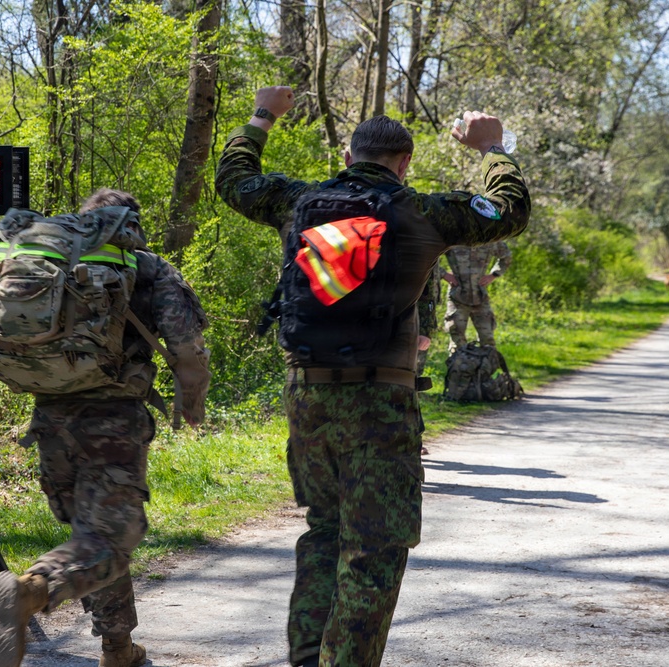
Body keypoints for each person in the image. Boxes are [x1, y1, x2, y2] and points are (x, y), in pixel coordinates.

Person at [215, 86, 530, 667]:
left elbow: (234, 178)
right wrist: (491, 147)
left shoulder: (298, 201)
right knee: (375, 548)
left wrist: (262, 116)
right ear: (404, 163)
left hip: (307, 393)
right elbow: (509, 208)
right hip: (381, 399)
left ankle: (309, 659)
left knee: (324, 531)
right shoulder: (425, 212)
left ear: (347, 156)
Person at [0, 188, 212, 667]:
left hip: (50, 417)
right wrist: (192, 404)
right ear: (129, 225)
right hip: (113, 422)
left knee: (88, 535)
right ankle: (32, 590)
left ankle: (117, 649)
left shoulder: (45, 260)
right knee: (107, 541)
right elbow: (187, 349)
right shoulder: (147, 268)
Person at [441, 241, 512, 353]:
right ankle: (458, 364)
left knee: (488, 339)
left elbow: (506, 256)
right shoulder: (453, 237)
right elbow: (427, 256)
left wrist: (493, 275)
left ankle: (486, 363)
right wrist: (444, 274)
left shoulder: (488, 239)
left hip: (480, 296)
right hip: (457, 297)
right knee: (457, 340)